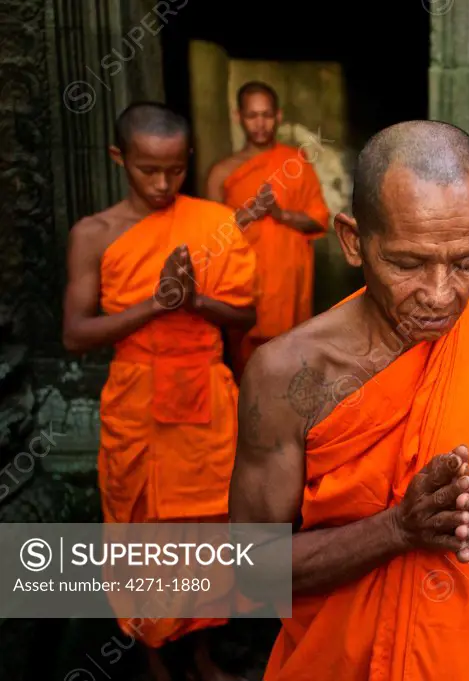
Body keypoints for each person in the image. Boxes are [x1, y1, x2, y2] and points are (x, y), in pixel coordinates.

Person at [228, 120, 469, 681]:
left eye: (466, 262)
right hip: (340, 661)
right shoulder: (287, 374)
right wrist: (397, 529)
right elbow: (250, 571)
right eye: (408, 263)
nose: (441, 295)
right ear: (353, 240)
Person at [62, 102, 257, 681]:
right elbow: (76, 334)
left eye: (173, 170)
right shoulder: (93, 234)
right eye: (148, 170)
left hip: (204, 394)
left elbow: (245, 316)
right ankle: (153, 652)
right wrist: (155, 305)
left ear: (187, 161)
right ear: (119, 158)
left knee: (209, 530)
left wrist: (194, 301)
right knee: (142, 531)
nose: (162, 183)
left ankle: (200, 650)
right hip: (138, 401)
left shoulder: (215, 222)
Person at [205, 80, 330, 379]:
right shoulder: (223, 172)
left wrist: (280, 213)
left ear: (278, 115)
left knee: (290, 365)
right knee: (248, 369)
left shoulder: (296, 163)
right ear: (239, 117)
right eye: (252, 115)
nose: (260, 123)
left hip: (289, 284)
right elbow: (208, 237)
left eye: (266, 115)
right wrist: (249, 214)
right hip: (244, 284)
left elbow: (319, 220)